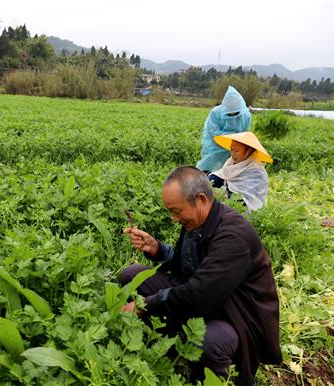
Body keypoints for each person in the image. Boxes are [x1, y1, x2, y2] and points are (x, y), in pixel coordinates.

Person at [120, 166, 281, 386]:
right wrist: (156, 248)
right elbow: (182, 264)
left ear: (201, 199)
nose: (174, 219)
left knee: (209, 341)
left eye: (177, 211)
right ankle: (161, 346)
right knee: (131, 276)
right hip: (203, 297)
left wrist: (145, 305)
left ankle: (216, 378)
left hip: (234, 314)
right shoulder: (198, 221)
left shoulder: (233, 236)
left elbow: (199, 294)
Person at [208, 132, 272, 213]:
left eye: (236, 151)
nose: (233, 154)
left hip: (247, 209)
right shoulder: (232, 162)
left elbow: (248, 200)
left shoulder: (257, 173)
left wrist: (227, 192)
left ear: (248, 151)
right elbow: (220, 176)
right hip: (230, 203)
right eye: (231, 150)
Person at [197, 86, 251, 173]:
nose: (233, 115)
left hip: (235, 145)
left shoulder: (246, 115)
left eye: (236, 113)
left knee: (231, 168)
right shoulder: (215, 113)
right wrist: (232, 136)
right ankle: (208, 176)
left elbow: (244, 133)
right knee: (211, 164)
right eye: (230, 114)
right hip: (215, 144)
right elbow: (214, 132)